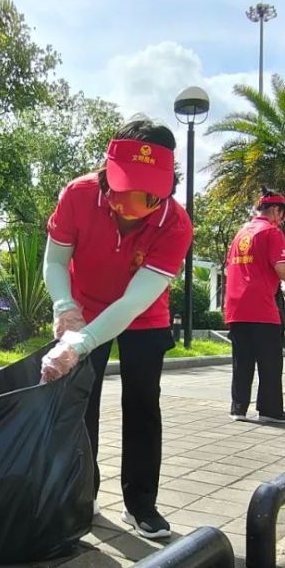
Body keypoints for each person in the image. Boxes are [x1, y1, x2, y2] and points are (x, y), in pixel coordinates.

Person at [39, 116, 193, 540]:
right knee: (79, 401)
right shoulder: (79, 194)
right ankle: (81, 494)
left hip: (141, 315)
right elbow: (54, 261)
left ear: (165, 190)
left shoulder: (175, 225)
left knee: (143, 402)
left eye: (143, 195)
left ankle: (141, 504)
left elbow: (133, 301)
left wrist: (83, 343)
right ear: (106, 173)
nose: (126, 203)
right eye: (119, 188)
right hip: (83, 307)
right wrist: (66, 307)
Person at [223, 188, 285, 423]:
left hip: (236, 307)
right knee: (270, 361)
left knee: (241, 360)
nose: (282, 220)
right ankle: (270, 409)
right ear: (275, 210)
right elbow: (281, 267)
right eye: (282, 215)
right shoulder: (271, 232)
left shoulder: (240, 234)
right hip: (263, 306)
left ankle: (238, 408)